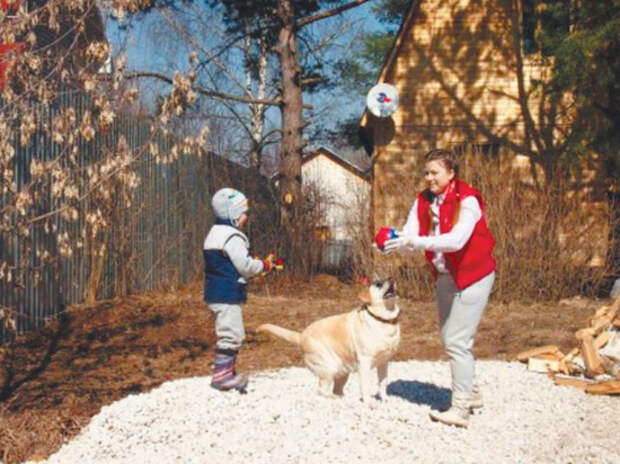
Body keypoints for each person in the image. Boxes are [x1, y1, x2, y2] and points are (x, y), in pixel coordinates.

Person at [383, 148, 496, 428]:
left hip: (474, 275)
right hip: (445, 276)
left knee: (458, 340)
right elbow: (411, 234)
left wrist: (415, 242)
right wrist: (392, 242)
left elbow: (456, 240)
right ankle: (471, 391)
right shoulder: (422, 200)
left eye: (435, 172)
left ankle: (460, 409)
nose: (429, 178)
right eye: (427, 172)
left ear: (451, 173)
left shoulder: (468, 200)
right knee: (449, 337)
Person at [203, 187, 274, 392]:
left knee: (230, 331)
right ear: (233, 215)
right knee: (231, 334)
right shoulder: (232, 237)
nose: (245, 218)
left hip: (215, 292)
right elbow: (244, 266)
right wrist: (262, 266)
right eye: (243, 213)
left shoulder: (214, 233)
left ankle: (227, 372)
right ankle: (222, 377)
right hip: (226, 293)